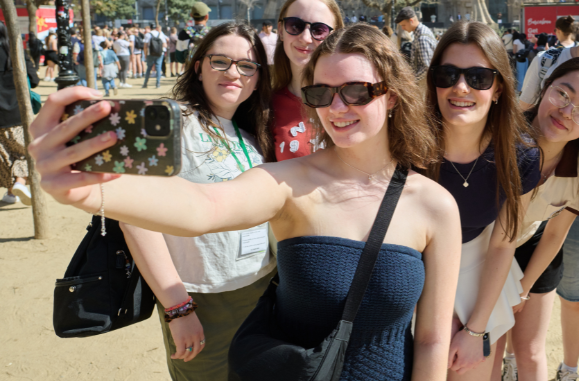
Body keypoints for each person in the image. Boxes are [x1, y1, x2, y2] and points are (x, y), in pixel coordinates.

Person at [31, 24, 461, 381]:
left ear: (392, 97)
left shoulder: (435, 206)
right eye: (321, 93)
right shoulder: (290, 182)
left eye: (355, 91)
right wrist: (91, 190)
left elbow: (431, 340)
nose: (336, 106)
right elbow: (202, 206)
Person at [115, 23, 277, 380]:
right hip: (201, 299)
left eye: (247, 66)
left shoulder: (254, 132)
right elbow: (135, 217)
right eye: (221, 61)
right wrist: (178, 309)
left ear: (257, 78)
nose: (233, 72)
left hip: (261, 290)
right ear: (198, 66)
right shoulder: (168, 122)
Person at [496, 58, 579, 381]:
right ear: (545, 88)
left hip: (531, 244)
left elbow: (555, 234)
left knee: (529, 350)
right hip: (476, 250)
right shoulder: (496, 135)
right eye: (563, 95)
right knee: (489, 348)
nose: (567, 112)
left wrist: (523, 290)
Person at [423, 21, 541, 381]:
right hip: (411, 279)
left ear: (499, 88)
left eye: (478, 77)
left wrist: (476, 330)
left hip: (476, 276)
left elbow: (503, 245)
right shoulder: (406, 145)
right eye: (447, 75)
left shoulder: (520, 156)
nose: (460, 88)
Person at [271, 0, 345, 161]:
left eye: (319, 30)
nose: (305, 38)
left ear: (336, 37)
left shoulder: (355, 97)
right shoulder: (265, 107)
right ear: (281, 30)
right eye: (295, 26)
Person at [0, 22, 39, 206]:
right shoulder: (16, 53)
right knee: (23, 152)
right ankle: (20, 183)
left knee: (5, 154)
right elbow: (35, 80)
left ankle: (11, 193)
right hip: (17, 112)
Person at [396, 7, 437, 77]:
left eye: (403, 25)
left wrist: (412, 81)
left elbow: (427, 68)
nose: (402, 28)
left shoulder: (422, 39)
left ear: (411, 21)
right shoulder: (422, 32)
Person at [142, 25, 170, 90]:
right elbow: (165, 45)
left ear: (150, 28)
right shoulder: (161, 34)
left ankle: (145, 84)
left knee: (148, 68)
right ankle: (158, 84)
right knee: (158, 68)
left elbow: (145, 46)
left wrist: (145, 55)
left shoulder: (148, 35)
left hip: (150, 53)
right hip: (159, 54)